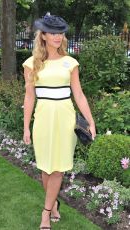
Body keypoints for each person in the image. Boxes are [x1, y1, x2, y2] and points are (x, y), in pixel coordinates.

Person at [22, 13, 96, 230]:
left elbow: (79, 95)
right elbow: (29, 97)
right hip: (43, 120)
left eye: (60, 33)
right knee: (45, 168)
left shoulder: (70, 63)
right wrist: (26, 126)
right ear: (43, 35)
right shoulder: (31, 64)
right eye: (52, 33)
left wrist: (91, 122)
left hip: (65, 120)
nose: (57, 36)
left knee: (58, 169)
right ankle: (53, 204)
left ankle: (46, 213)